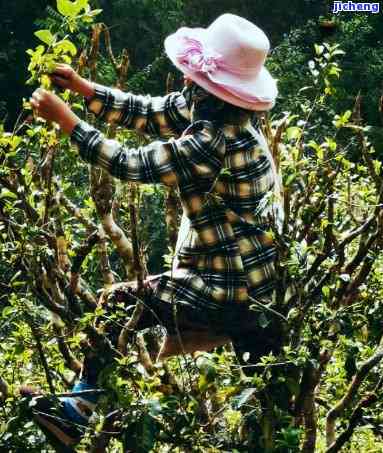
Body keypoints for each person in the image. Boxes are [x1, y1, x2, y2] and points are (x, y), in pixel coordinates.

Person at [27, 13, 284, 450]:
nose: (184, 80)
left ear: (206, 85)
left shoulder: (213, 140)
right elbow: (149, 110)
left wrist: (66, 120)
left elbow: (133, 163)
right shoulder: (216, 113)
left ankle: (78, 412)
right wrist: (84, 89)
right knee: (269, 414)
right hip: (265, 286)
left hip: (231, 289)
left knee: (120, 300)